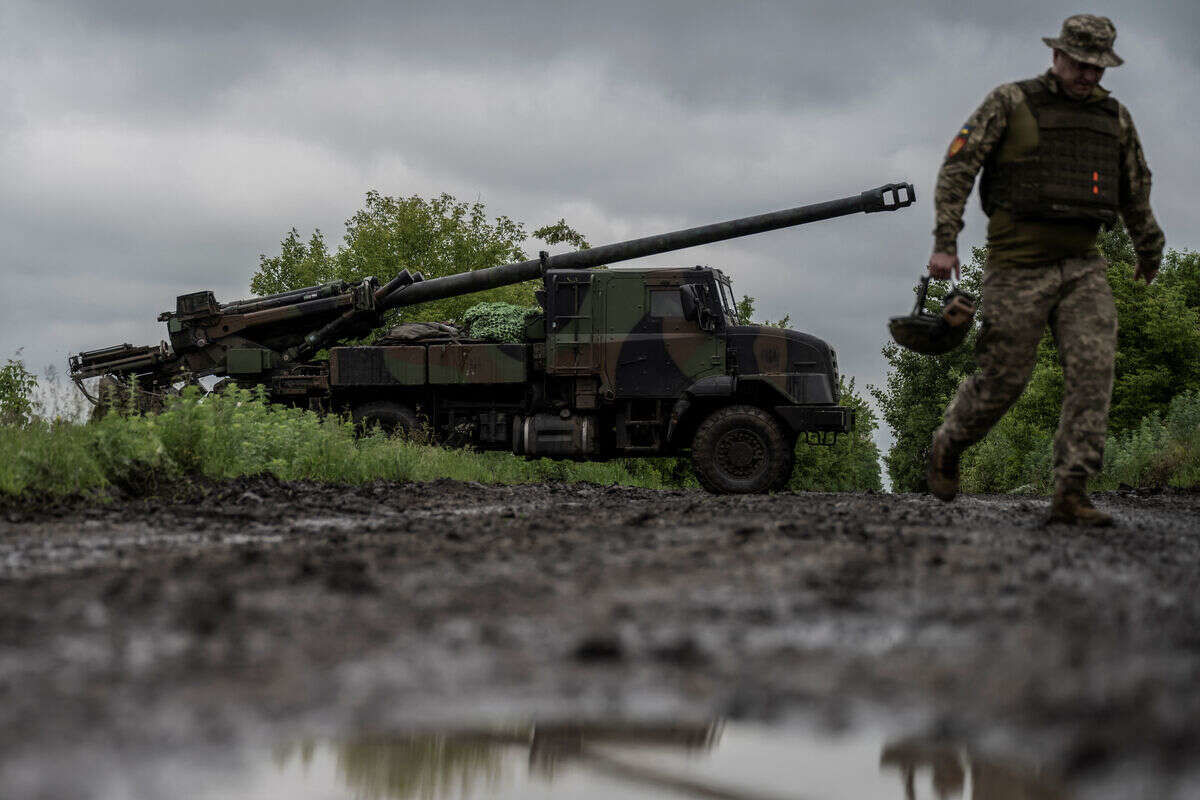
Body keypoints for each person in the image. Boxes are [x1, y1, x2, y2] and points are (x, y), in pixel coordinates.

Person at [925, 14, 1164, 526]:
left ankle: (1071, 491)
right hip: (1017, 264)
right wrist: (946, 241)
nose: (1087, 75)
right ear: (1058, 55)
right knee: (1005, 378)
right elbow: (958, 167)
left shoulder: (1114, 118)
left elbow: (1134, 187)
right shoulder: (1011, 102)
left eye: (1097, 67)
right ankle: (949, 443)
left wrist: (1150, 247)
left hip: (1083, 264)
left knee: (1093, 369)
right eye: (1079, 64)